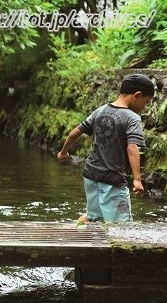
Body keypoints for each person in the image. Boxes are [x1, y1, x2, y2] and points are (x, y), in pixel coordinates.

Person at [57, 73, 155, 223]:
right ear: (137, 95)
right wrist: (137, 179)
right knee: (122, 226)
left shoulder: (101, 110)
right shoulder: (132, 118)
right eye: (146, 102)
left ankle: (73, 229)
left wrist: (63, 152)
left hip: (90, 176)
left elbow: (74, 133)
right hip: (113, 180)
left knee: (94, 217)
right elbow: (132, 148)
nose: (145, 106)